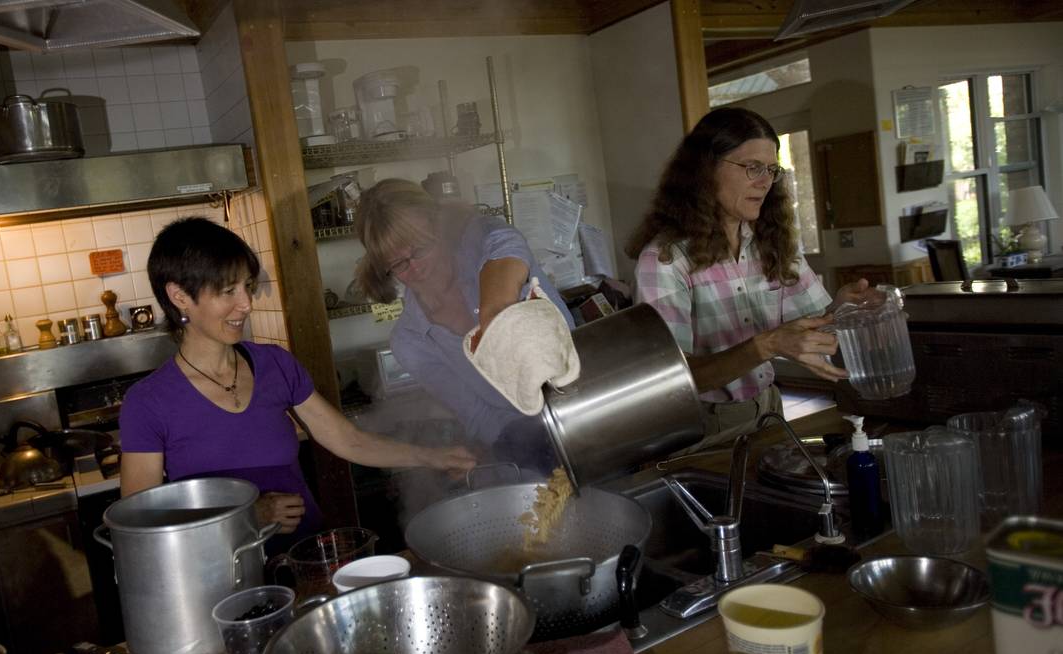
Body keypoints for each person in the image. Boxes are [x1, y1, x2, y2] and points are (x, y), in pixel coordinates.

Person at [118, 217, 475, 550]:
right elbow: (141, 519)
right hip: (225, 583)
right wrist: (245, 514)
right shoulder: (148, 402)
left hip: (306, 557)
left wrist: (434, 457)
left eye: (247, 286)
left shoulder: (274, 364)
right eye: (228, 291)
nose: (246, 304)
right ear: (179, 296)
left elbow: (348, 440)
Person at [628, 107, 881, 445]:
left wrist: (843, 308)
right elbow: (674, 379)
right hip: (704, 427)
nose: (765, 181)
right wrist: (768, 344)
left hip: (769, 407)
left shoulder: (770, 242)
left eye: (771, 169)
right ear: (705, 170)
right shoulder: (664, 261)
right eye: (752, 168)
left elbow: (811, 326)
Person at [352, 179, 574, 472]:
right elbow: (479, 414)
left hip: (586, 393)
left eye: (419, 250)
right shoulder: (410, 342)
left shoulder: (485, 241)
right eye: (399, 265)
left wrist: (494, 315)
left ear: (439, 229)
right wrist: (522, 446)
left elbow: (506, 249)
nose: (416, 269)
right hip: (525, 434)